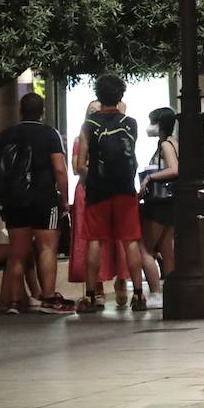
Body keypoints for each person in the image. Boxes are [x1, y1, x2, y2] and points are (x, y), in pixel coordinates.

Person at [0, 92, 72, 313]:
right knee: (47, 248)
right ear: (42, 112)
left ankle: (14, 302)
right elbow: (60, 169)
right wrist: (64, 199)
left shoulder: (5, 135)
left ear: (20, 111)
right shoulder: (49, 134)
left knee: (17, 251)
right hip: (44, 198)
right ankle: (48, 298)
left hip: (14, 200)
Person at [75, 75, 146, 313]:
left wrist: (88, 180)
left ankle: (91, 296)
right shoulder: (131, 123)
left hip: (98, 189)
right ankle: (138, 295)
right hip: (125, 188)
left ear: (98, 95)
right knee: (130, 241)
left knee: (95, 240)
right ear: (120, 96)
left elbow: (79, 164)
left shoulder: (89, 125)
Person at [70, 100, 129, 306]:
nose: (97, 114)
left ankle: (120, 281)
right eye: (92, 112)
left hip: (103, 190)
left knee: (114, 239)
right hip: (89, 191)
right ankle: (97, 289)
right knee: (94, 240)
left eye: (99, 110)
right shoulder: (82, 138)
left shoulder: (110, 136)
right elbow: (77, 167)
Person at [138, 107, 178, 297]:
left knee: (145, 249)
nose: (149, 127)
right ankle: (172, 293)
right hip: (170, 204)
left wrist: (151, 178)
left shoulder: (165, 145)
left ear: (160, 125)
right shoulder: (173, 142)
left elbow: (174, 169)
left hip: (159, 205)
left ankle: (155, 292)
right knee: (166, 248)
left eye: (152, 122)